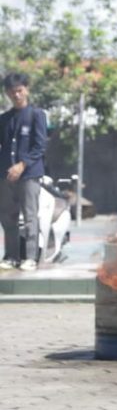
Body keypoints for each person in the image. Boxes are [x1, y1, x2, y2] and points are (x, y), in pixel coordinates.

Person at [0, 73, 48, 271]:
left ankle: (30, 257)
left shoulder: (37, 115)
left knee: (30, 216)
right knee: (7, 216)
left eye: (19, 90)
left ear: (26, 89)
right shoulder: (4, 118)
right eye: (12, 92)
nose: (16, 95)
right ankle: (11, 256)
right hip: (6, 175)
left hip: (29, 175)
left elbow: (39, 146)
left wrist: (21, 165)